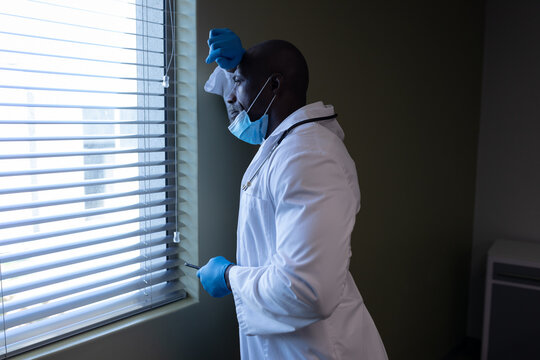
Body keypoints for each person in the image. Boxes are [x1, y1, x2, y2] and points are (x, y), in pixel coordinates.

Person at [198, 28, 388, 359]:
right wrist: (233, 71)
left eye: (240, 82)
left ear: (274, 86)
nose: (231, 96)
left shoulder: (309, 157)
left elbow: (306, 290)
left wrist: (230, 277)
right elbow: (240, 107)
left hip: (318, 349)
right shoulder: (286, 143)